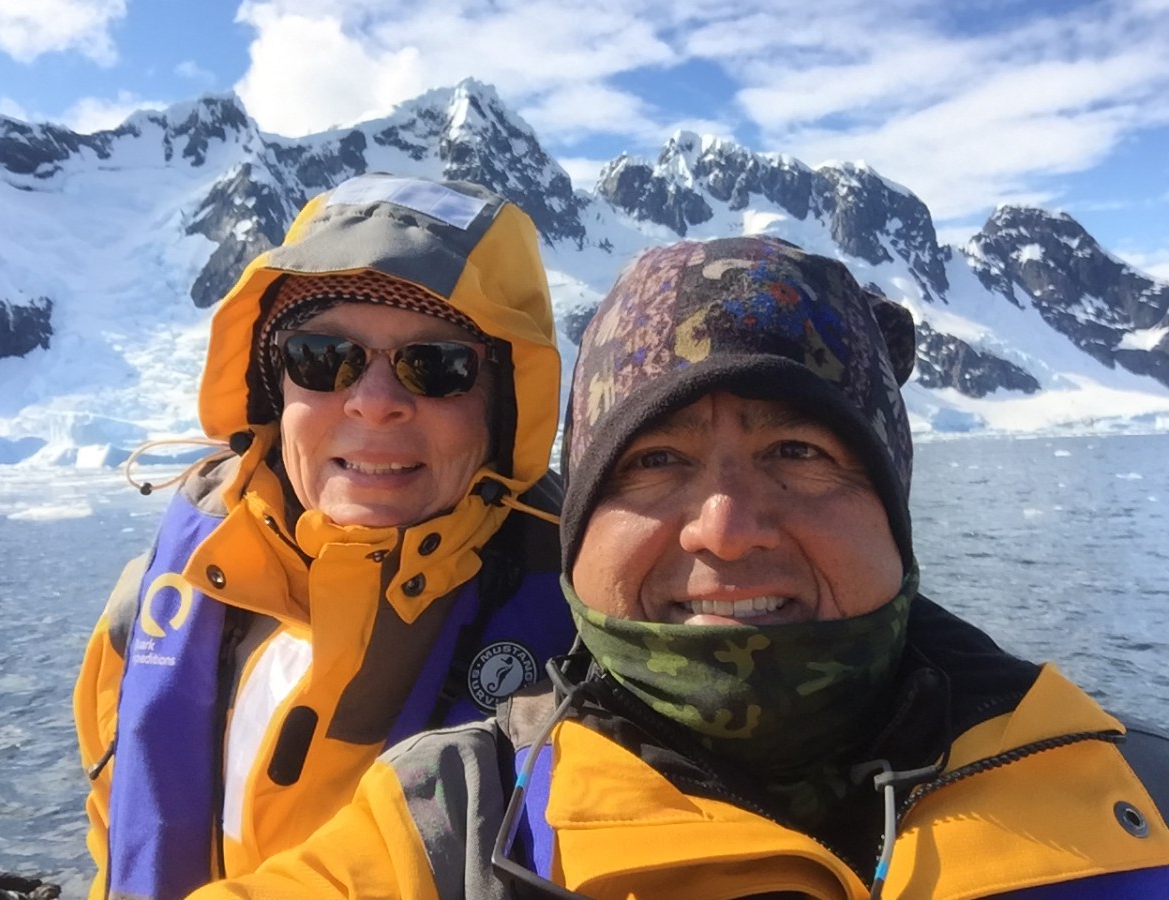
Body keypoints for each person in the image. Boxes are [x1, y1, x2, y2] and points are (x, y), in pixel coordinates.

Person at [190, 236, 1169, 899]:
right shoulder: (452, 827)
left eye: (799, 452)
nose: (725, 529)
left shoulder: (1138, 794)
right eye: (655, 461)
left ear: (891, 506)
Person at [73, 173, 576, 898]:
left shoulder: (584, 639)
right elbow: (110, 836)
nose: (374, 403)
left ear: (506, 408)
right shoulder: (152, 606)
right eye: (322, 356)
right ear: (275, 386)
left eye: (438, 366)